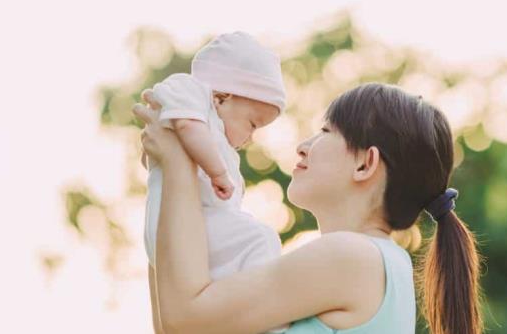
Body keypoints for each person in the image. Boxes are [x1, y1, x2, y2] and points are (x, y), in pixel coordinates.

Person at [134, 82, 483, 334]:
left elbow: (186, 319)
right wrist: (167, 177)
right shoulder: (377, 262)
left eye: (325, 131)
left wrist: (179, 163)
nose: (303, 146)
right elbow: (174, 322)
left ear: (365, 164)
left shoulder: (351, 257)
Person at [140, 31, 288, 332]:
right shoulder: (190, 94)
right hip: (183, 230)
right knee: (261, 238)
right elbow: (185, 126)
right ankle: (270, 322)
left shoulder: (212, 131)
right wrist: (218, 172)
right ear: (222, 97)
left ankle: (230, 315)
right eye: (252, 124)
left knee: (244, 254)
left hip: (190, 234)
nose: (250, 138)